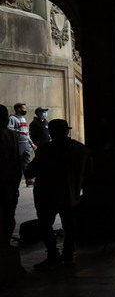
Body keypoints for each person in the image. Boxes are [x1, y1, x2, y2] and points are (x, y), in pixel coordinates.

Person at [24, 119, 92, 268]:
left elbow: (30, 172)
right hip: (69, 194)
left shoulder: (45, 150)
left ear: (51, 132)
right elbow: (89, 173)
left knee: (45, 226)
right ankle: (68, 255)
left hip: (46, 195)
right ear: (67, 131)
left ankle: (53, 254)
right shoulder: (81, 150)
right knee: (69, 226)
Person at [0, 104, 21, 248]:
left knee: (8, 218)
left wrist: (15, 183)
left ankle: (6, 245)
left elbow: (16, 160)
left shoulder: (11, 135)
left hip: (9, 185)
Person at [7, 102, 33, 186]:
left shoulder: (23, 119)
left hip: (25, 143)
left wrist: (31, 143)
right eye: (24, 108)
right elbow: (9, 129)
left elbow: (27, 132)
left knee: (27, 162)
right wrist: (20, 132)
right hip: (18, 143)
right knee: (16, 163)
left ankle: (29, 180)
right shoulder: (12, 118)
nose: (25, 110)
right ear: (19, 109)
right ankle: (14, 182)